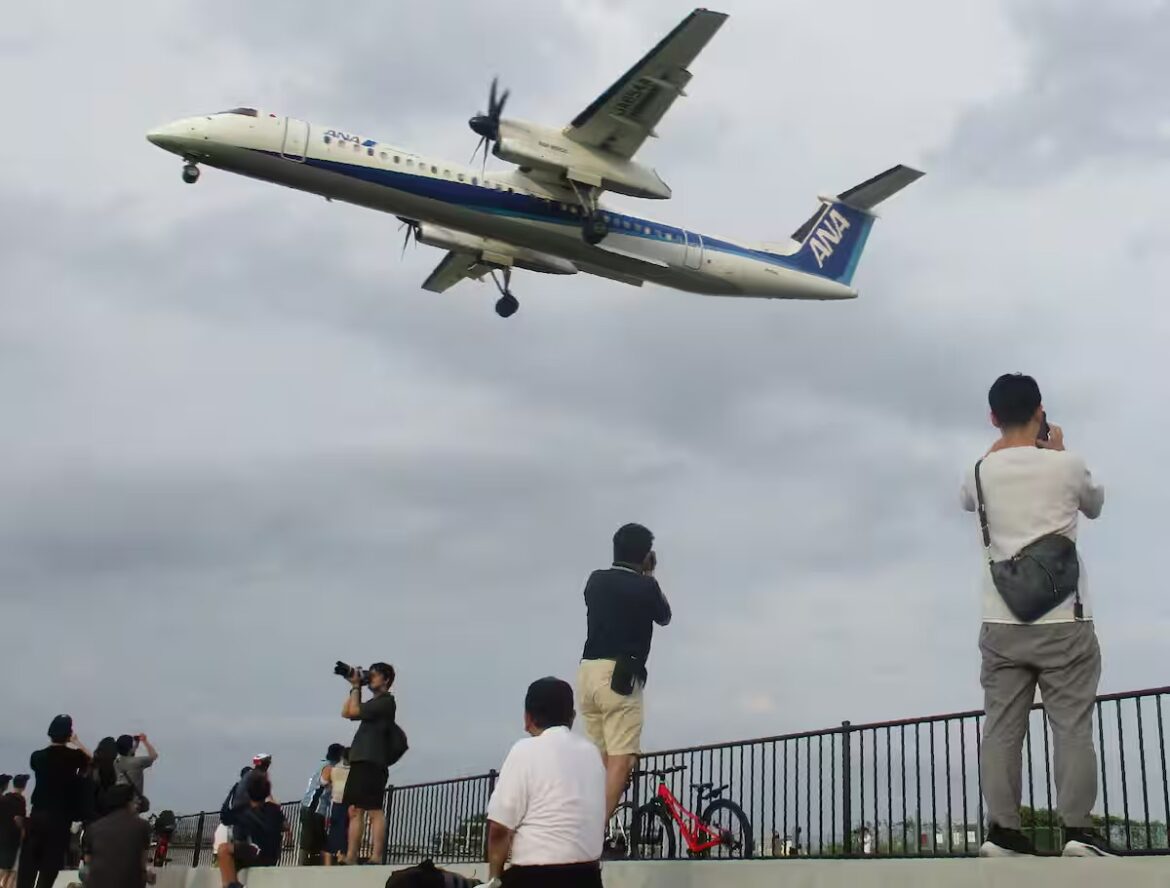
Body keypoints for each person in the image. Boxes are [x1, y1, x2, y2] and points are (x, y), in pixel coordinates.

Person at [960, 373, 1110, 858]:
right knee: (1072, 727)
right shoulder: (1067, 465)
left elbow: (967, 499)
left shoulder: (980, 471)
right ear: (1040, 411)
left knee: (1002, 729)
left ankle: (1003, 833)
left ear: (993, 417)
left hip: (1001, 621)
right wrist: (1057, 450)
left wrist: (999, 449)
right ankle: (1078, 832)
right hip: (1065, 619)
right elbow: (1095, 504)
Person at [577, 523, 672, 819]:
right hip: (619, 676)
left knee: (599, 760)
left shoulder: (595, 581)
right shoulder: (646, 586)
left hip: (588, 672)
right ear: (646, 555)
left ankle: (584, 822)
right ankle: (592, 832)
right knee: (622, 760)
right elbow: (664, 616)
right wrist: (649, 575)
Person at [480, 677, 605, 888]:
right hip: (588, 877)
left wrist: (494, 879)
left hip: (534, 877)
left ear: (528, 717)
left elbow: (499, 829)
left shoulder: (524, 751)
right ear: (572, 717)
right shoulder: (593, 754)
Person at [17, 715, 91, 888]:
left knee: (29, 864)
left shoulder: (37, 756)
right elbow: (91, 759)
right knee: (50, 866)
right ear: (68, 735)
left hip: (38, 815)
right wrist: (77, 742)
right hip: (60, 819)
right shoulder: (74, 757)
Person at [341, 662, 398, 865]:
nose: (370, 678)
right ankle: (351, 856)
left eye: (374, 675)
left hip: (373, 760)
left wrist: (357, 685)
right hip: (359, 759)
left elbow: (354, 710)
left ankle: (376, 856)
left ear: (386, 679)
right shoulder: (373, 704)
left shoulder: (386, 702)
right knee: (355, 810)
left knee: (374, 810)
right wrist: (354, 686)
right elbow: (347, 712)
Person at [213, 773, 287, 888]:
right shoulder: (274, 809)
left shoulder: (244, 812)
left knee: (223, 850)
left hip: (257, 853)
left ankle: (233, 886)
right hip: (272, 856)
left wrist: (232, 793)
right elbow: (285, 826)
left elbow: (224, 817)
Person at [80, 784, 153, 888]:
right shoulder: (142, 826)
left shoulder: (93, 828)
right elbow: (142, 863)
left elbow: (88, 860)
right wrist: (147, 876)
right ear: (128, 803)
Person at [299, 744, 342, 866]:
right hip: (314, 807)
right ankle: (304, 865)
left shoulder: (321, 764)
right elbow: (324, 781)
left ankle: (308, 863)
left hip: (308, 805)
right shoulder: (329, 767)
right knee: (312, 839)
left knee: (315, 839)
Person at [114, 735, 158, 808]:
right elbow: (154, 756)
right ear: (130, 748)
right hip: (133, 804)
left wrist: (135, 744)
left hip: (118, 802)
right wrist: (145, 741)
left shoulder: (116, 762)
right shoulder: (138, 762)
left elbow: (130, 753)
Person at [0, 775, 29, 888]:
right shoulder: (20, 801)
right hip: (13, 840)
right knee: (9, 871)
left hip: (3, 838)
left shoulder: (5, 798)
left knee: (6, 869)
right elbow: (20, 821)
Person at [325, 747, 351, 865]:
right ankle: (342, 854)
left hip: (336, 801)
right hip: (348, 801)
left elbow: (326, 783)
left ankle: (330, 858)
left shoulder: (334, 769)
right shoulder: (353, 771)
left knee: (335, 830)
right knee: (346, 829)